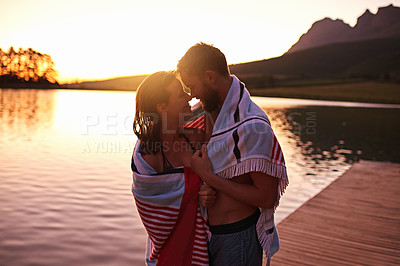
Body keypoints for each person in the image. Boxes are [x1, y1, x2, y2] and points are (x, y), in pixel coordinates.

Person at [177, 43, 289, 265]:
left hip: (237, 238)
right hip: (206, 236)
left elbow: (267, 197)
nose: (192, 95)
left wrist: (210, 178)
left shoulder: (252, 126)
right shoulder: (204, 114)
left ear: (209, 76)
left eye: (192, 86)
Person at [131, 71, 216, 265]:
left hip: (207, 246)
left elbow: (220, 173)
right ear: (162, 107)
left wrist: (209, 187)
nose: (189, 97)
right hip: (168, 255)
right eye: (180, 94)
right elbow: (153, 211)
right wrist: (196, 193)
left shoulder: (196, 136)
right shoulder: (148, 157)